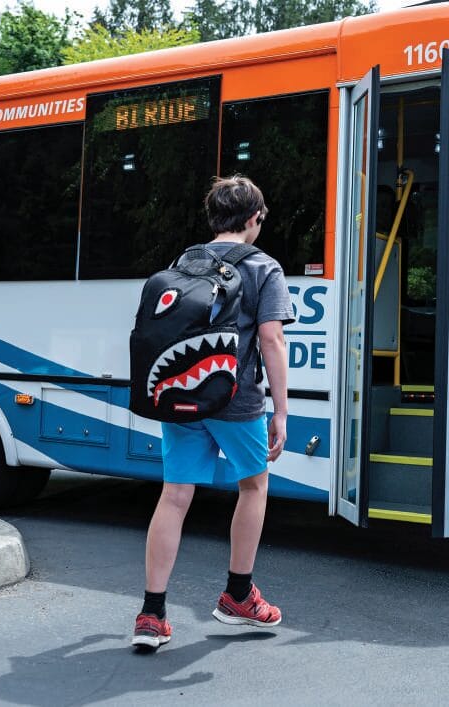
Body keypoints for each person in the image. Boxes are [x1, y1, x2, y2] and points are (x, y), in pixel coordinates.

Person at [131, 175, 294, 651]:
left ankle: (151, 614)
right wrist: (281, 411)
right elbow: (271, 340)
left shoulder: (184, 262)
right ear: (254, 218)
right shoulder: (263, 267)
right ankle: (238, 596)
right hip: (236, 400)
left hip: (180, 397)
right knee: (254, 486)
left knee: (175, 496)